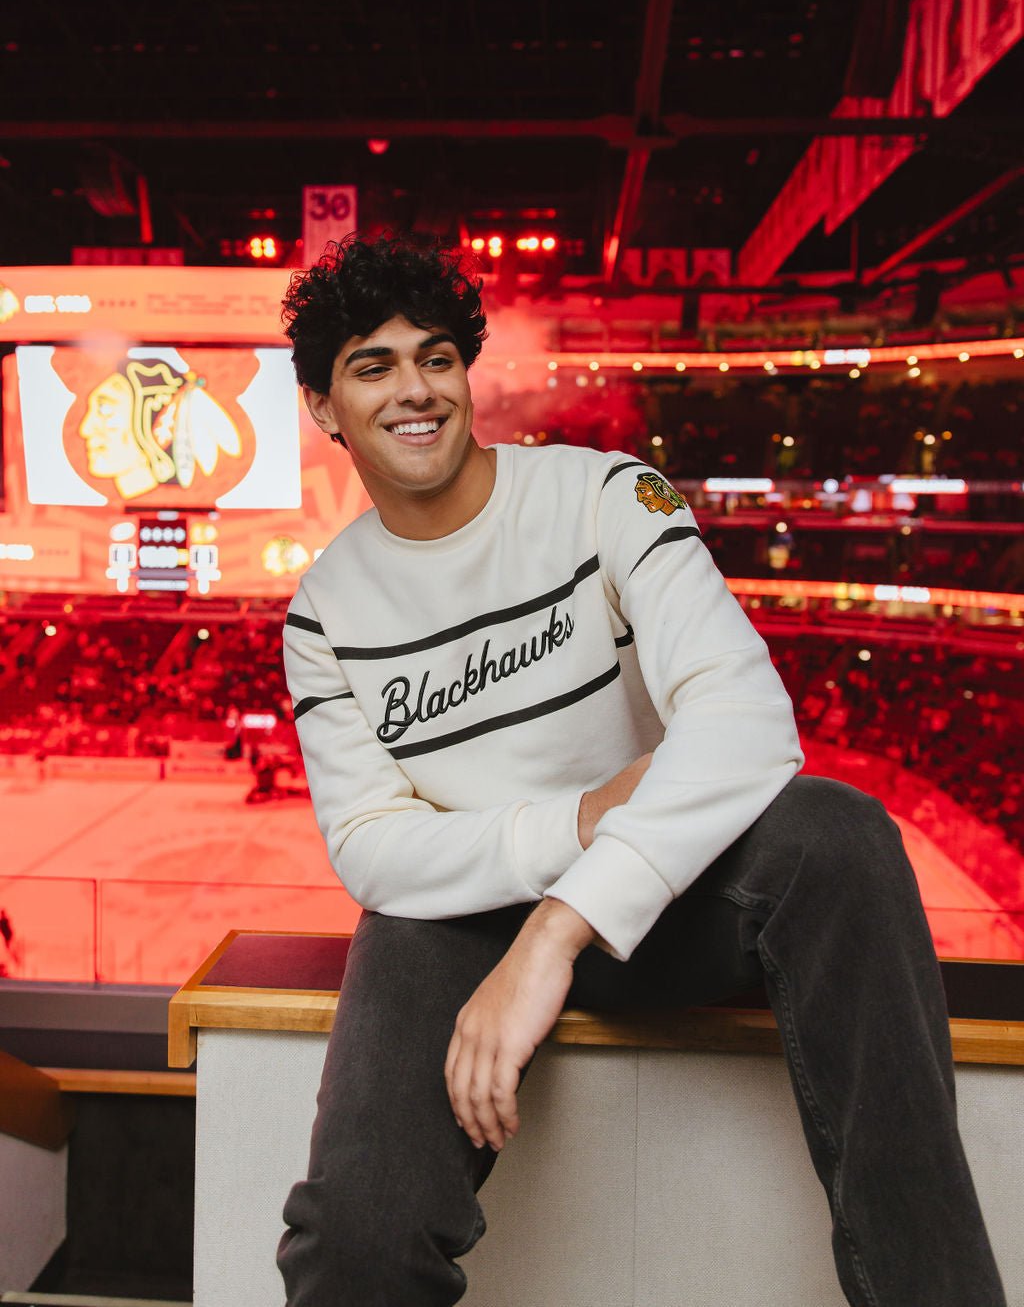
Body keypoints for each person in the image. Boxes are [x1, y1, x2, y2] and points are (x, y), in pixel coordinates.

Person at [276, 234, 1005, 1307]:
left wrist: (558, 925)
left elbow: (747, 720)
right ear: (323, 407)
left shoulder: (610, 493)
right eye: (371, 366)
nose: (414, 389)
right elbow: (372, 848)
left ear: (466, 372)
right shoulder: (322, 609)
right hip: (456, 924)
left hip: (661, 889)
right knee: (357, 1240)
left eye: (435, 356)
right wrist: (570, 825)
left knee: (838, 835)